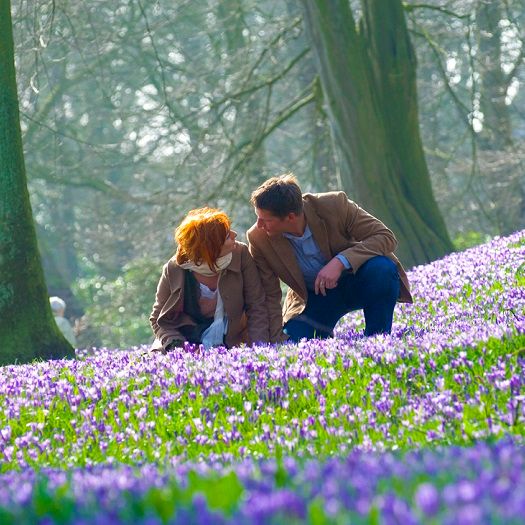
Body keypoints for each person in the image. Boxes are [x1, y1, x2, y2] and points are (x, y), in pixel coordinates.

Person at [246, 174, 413, 343]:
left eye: (265, 220)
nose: (259, 225)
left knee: (382, 268)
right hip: (314, 299)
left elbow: (385, 237)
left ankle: (378, 342)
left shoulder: (334, 205)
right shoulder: (258, 238)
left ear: (290, 217)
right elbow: (268, 294)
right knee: (294, 343)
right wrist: (273, 339)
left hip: (356, 281)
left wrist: (340, 261)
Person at [150, 207, 269, 352]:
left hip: (234, 337)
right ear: (211, 248)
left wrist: (260, 348)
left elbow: (256, 305)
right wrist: (179, 347)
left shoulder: (240, 254)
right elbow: (158, 319)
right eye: (227, 236)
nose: (235, 235)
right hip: (186, 340)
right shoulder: (174, 269)